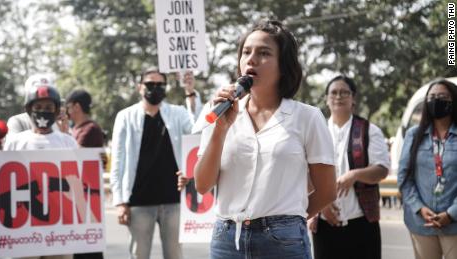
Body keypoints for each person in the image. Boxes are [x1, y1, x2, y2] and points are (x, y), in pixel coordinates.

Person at [194, 20, 337, 259]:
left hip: (284, 242)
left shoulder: (307, 117)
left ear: (283, 65)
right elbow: (202, 185)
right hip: (227, 240)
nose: (251, 59)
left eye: (264, 53)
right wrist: (220, 130)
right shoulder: (218, 110)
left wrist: (289, 220)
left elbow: (327, 191)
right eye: (246, 52)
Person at [110, 67, 201, 259]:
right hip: (139, 201)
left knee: (175, 255)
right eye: (150, 84)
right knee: (139, 255)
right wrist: (120, 202)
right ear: (139, 87)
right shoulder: (125, 116)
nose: (155, 88)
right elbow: (118, 161)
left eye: (160, 85)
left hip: (173, 200)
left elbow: (197, 131)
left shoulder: (177, 113)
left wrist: (190, 91)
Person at [309, 75, 390, 259]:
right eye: (334, 92)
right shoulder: (316, 130)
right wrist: (321, 205)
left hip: (361, 222)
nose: (339, 96)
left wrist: (354, 175)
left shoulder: (369, 130)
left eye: (344, 92)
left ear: (353, 98)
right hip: (324, 223)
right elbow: (305, 174)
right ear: (327, 99)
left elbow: (382, 169)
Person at [4, 82, 77, 259]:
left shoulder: (68, 142)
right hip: (24, 226)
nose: (43, 111)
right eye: (38, 107)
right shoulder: (16, 142)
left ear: (56, 110)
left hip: (59, 225)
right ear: (29, 109)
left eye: (48, 107)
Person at [398, 79, 457, 259]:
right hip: (421, 223)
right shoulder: (414, 135)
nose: (436, 100)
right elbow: (404, 178)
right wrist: (419, 208)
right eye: (432, 97)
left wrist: (451, 213)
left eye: (442, 97)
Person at [65, 89, 104, 259]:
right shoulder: (77, 130)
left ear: (76, 106)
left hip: (86, 197)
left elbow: (73, 156)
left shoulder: (90, 130)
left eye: (68, 107)